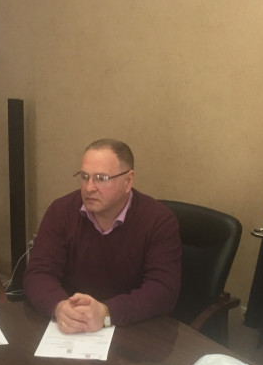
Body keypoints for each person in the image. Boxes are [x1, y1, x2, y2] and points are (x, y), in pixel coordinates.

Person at [24, 138, 182, 333]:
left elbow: (163, 291)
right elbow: (38, 273)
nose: (89, 187)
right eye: (84, 176)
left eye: (101, 178)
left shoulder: (158, 220)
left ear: (128, 181)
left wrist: (107, 313)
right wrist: (59, 306)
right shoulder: (61, 211)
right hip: (72, 330)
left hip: (135, 332)